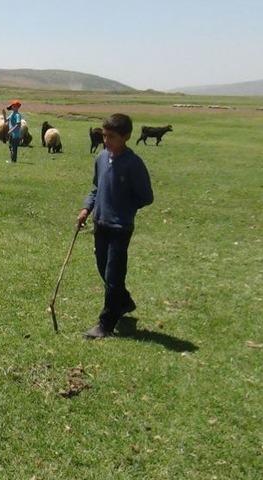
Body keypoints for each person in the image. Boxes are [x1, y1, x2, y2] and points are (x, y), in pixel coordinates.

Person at [77, 113, 154, 339]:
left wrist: (124, 208)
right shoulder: (101, 158)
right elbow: (95, 188)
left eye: (111, 137)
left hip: (120, 228)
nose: (106, 141)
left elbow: (146, 197)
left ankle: (105, 324)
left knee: (113, 275)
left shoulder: (133, 163)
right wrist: (86, 209)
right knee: (103, 268)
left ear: (126, 136)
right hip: (99, 224)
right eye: (104, 136)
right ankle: (124, 302)